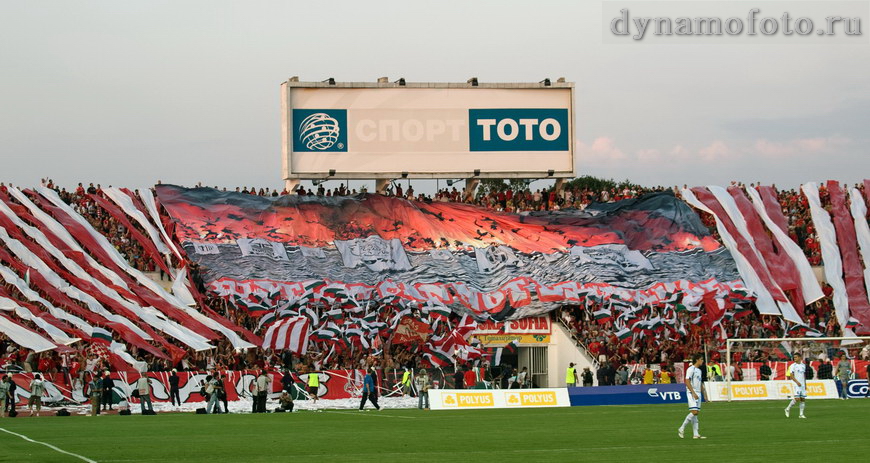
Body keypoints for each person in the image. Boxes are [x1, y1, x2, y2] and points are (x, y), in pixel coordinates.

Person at [678, 353, 706, 439]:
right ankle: (681, 428)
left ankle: (696, 434)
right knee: (694, 412)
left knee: (696, 414)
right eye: (701, 359)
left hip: (698, 393)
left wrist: (704, 393)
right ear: (697, 360)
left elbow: (700, 382)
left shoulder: (699, 370)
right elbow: (687, 381)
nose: (702, 361)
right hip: (692, 392)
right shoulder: (691, 369)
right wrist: (693, 392)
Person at [785, 353, 807, 419]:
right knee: (797, 398)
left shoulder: (803, 365)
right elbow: (791, 376)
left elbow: (804, 375)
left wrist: (805, 384)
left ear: (800, 357)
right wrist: (797, 382)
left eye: (796, 357)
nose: (794, 359)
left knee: (803, 399)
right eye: (794, 357)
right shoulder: (792, 366)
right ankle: (787, 409)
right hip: (797, 384)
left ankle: (801, 414)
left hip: (802, 385)